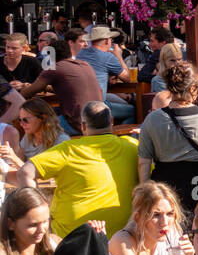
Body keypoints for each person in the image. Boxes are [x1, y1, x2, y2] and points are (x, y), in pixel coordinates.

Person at [18, 101, 137, 237]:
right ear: (111, 121)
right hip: (123, 236)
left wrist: (39, 214)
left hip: (70, 238)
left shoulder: (68, 150)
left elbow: (25, 172)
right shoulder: (132, 145)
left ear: (83, 126)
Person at [136, 62, 198, 210]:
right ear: (192, 88)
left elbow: (144, 163)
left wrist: (145, 197)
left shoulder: (152, 119)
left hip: (165, 188)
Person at [108, 182, 198, 255]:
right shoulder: (123, 242)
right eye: (156, 215)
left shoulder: (171, 232)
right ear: (138, 217)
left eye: (170, 214)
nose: (164, 222)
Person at [23, 40, 102, 136]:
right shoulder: (85, 64)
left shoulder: (54, 68)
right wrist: (46, 88)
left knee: (33, 127)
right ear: (70, 52)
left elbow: (26, 94)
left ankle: (24, 150)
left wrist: (23, 87)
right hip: (99, 123)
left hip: (77, 125)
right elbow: (69, 86)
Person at [77, 26, 134, 123]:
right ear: (107, 41)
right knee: (132, 111)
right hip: (97, 106)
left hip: (79, 104)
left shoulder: (80, 53)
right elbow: (127, 78)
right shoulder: (108, 57)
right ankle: (119, 136)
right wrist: (119, 56)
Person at [3, 99, 68, 178]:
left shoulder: (61, 141)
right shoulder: (28, 137)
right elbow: (20, 166)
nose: (21, 124)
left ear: (43, 118)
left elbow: (42, 175)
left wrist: (14, 158)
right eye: (19, 120)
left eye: (25, 120)